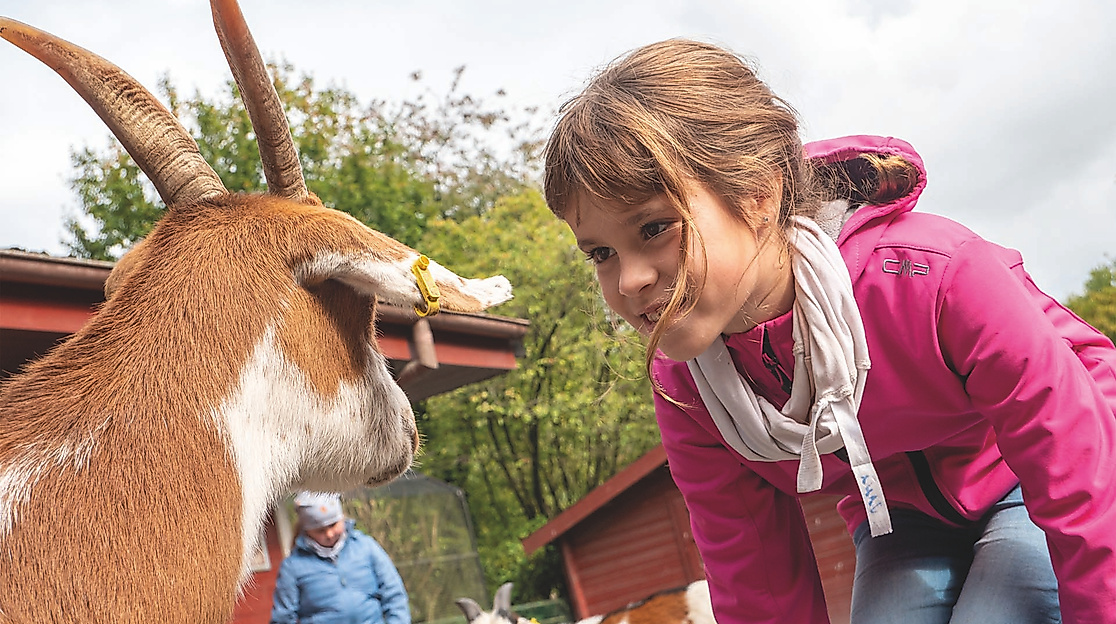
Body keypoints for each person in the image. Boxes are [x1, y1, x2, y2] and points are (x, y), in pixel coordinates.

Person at [542, 38, 1115, 624]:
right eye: (601, 252)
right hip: (898, 516)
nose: (629, 279)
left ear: (757, 194)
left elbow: (1078, 465)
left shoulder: (931, 275)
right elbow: (755, 583)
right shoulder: (689, 388)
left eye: (656, 227)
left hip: (1052, 471)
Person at [270, 492, 412, 624]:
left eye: (333, 525)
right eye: (320, 530)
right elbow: (283, 617)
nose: (329, 534)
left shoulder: (365, 546)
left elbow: (394, 595)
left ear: (342, 518)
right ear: (307, 531)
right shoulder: (293, 566)